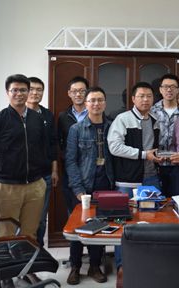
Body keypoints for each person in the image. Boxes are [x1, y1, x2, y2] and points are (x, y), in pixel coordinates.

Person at [0, 74, 48, 239]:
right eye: (15, 90)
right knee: (7, 233)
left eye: (23, 90)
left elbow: (44, 147)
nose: (19, 94)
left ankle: (27, 257)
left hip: (35, 185)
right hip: (7, 187)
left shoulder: (38, 119)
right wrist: (2, 172)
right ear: (7, 92)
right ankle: (8, 257)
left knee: (30, 234)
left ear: (28, 92)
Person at [107, 82, 161, 282]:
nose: (145, 99)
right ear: (133, 99)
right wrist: (143, 154)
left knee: (150, 223)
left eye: (149, 96)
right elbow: (114, 147)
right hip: (127, 182)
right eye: (141, 96)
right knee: (123, 224)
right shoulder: (123, 119)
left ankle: (145, 264)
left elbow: (154, 147)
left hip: (150, 179)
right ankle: (122, 266)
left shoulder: (154, 120)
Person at [65, 87, 114, 283]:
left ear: (105, 103)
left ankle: (95, 266)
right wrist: (77, 188)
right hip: (83, 184)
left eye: (100, 100)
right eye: (92, 100)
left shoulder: (111, 126)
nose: (96, 104)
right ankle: (75, 266)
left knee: (99, 227)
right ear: (86, 104)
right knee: (77, 227)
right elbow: (70, 160)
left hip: (106, 184)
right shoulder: (76, 129)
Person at [56, 76, 89, 284]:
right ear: (69, 93)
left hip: (94, 175)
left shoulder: (95, 113)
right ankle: (75, 264)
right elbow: (59, 145)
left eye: (82, 90)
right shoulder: (63, 116)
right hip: (71, 174)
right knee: (75, 219)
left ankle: (95, 263)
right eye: (75, 91)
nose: (78, 94)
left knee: (95, 220)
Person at [26, 77, 59, 247]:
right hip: (22, 177)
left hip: (44, 174)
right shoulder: (17, 113)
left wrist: (54, 170)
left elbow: (53, 144)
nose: (35, 93)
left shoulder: (47, 115)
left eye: (39, 90)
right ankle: (23, 253)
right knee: (23, 218)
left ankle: (38, 251)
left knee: (40, 218)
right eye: (31, 89)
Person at [150, 74, 179, 197]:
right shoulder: (152, 111)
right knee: (158, 201)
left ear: (178, 89)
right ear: (160, 89)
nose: (169, 90)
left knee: (177, 199)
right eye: (165, 87)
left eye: (173, 87)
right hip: (156, 165)